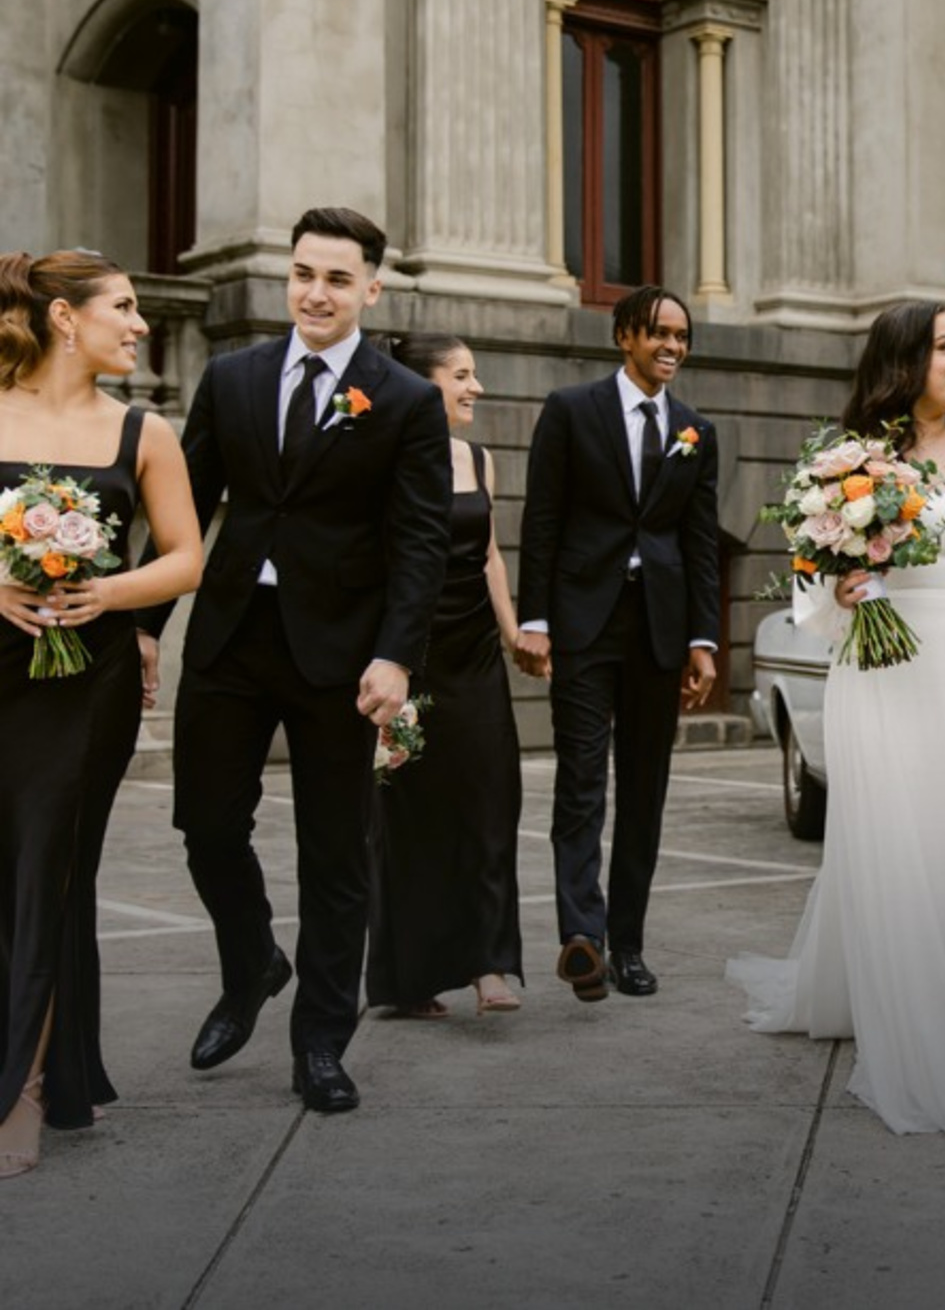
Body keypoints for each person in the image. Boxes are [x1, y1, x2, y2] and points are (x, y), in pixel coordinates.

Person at [728, 305, 945, 1133]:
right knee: (903, 845)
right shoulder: (848, 462)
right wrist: (844, 591)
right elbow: (814, 581)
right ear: (905, 358)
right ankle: (923, 1040)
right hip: (883, 668)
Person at [138, 208, 454, 1115]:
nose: (317, 293)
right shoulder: (231, 378)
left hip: (343, 653)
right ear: (290, 276)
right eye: (305, 273)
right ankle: (251, 961)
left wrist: (398, 655)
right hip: (233, 634)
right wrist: (150, 623)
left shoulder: (401, 400)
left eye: (338, 278)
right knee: (204, 821)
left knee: (334, 853)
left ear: (372, 288)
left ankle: (320, 1039)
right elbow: (185, 511)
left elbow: (421, 542)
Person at [0, 252, 203, 1178]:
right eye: (123, 307)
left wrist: (109, 589)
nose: (140, 324)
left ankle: (25, 1094)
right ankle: (58, 1065)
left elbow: (187, 556)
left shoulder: (144, 431)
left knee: (48, 860)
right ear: (62, 318)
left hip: (90, 678)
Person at [515, 286, 720, 1003]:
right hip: (583, 620)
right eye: (660, 332)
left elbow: (699, 543)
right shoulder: (572, 410)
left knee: (644, 790)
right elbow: (541, 519)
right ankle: (583, 936)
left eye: (682, 336)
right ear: (624, 336)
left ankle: (628, 945)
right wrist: (534, 619)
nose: (672, 346)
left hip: (659, 629)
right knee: (580, 779)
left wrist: (703, 637)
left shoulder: (696, 429)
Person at [366, 333, 525, 1020]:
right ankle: (411, 976)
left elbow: (488, 552)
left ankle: (490, 964)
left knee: (492, 798)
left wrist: (515, 630)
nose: (476, 387)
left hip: (477, 654)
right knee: (412, 813)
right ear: (422, 385)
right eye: (462, 374)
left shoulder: (478, 457)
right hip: (410, 653)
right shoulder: (382, 461)